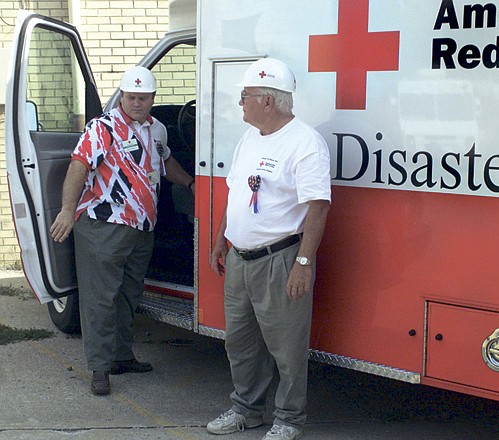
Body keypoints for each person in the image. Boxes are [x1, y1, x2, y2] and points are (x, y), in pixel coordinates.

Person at [49, 66, 195, 396]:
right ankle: (100, 369)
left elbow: (165, 160)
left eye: (143, 98)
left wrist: (188, 181)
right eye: (131, 97)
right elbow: (78, 167)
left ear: (153, 99)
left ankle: (121, 357)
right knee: (100, 299)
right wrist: (67, 211)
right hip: (104, 225)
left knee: (128, 296)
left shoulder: (157, 129)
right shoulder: (102, 128)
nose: (136, 104)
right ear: (122, 95)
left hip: (143, 226)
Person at [207, 58, 331, 440]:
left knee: (286, 348)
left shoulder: (305, 143)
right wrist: (220, 240)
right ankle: (247, 409)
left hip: (280, 259)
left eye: (245, 97)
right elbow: (237, 193)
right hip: (241, 260)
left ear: (268, 101)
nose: (239, 103)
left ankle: (289, 419)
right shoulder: (250, 137)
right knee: (240, 343)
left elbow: (318, 206)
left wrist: (304, 263)